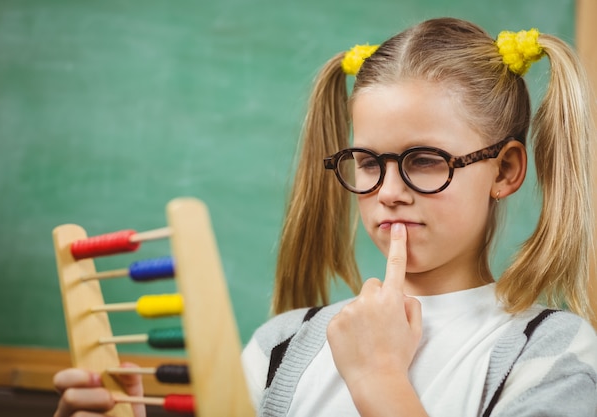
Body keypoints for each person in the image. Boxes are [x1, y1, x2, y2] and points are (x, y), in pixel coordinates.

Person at [52, 17, 597, 417]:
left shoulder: (555, 355)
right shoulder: (282, 345)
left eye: (425, 161)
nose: (388, 192)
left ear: (504, 171)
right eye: (366, 163)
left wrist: (378, 378)